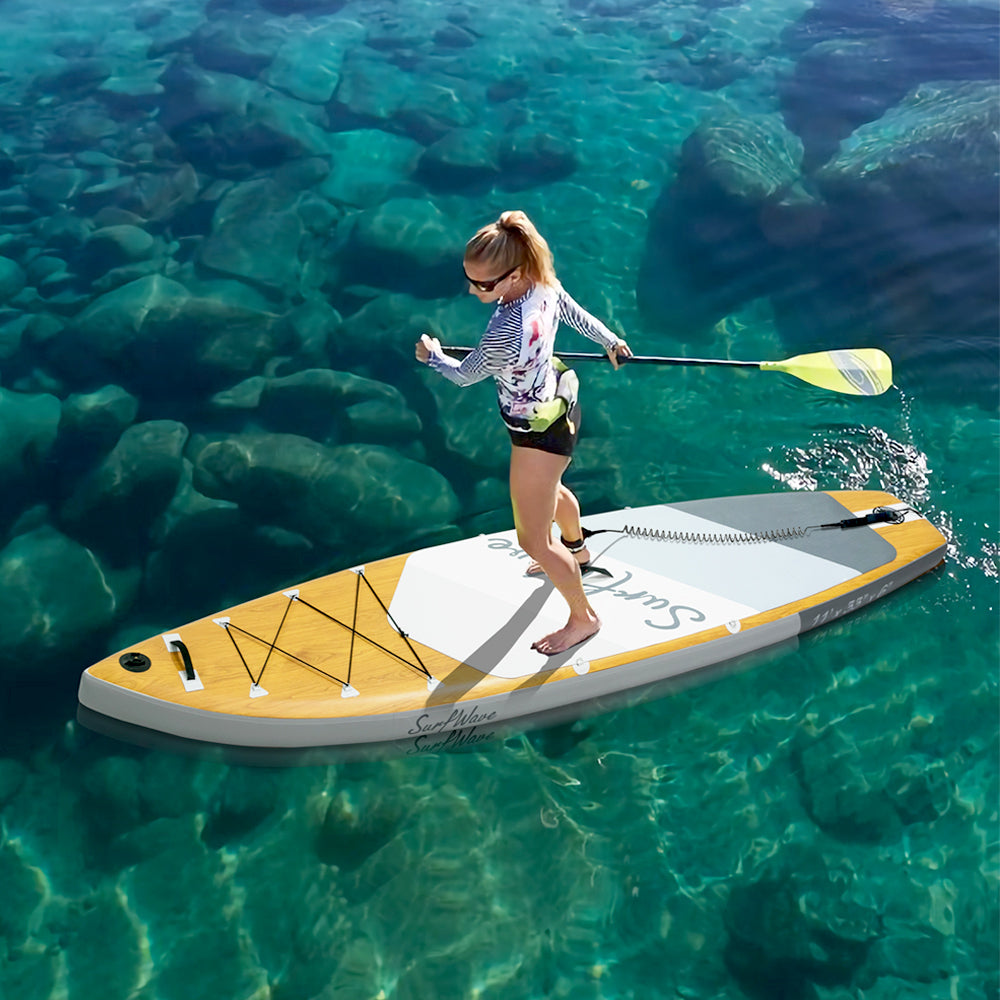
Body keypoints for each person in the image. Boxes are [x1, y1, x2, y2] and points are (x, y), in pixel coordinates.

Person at [415, 210, 632, 655]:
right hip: (564, 408)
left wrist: (433, 356)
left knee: (533, 541)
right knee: (552, 490)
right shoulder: (542, 284)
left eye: (483, 285)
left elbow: (464, 376)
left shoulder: (504, 332)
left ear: (512, 275)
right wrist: (611, 341)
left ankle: (583, 618)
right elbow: (575, 315)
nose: (473, 291)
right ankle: (577, 551)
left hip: (537, 435)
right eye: (470, 280)